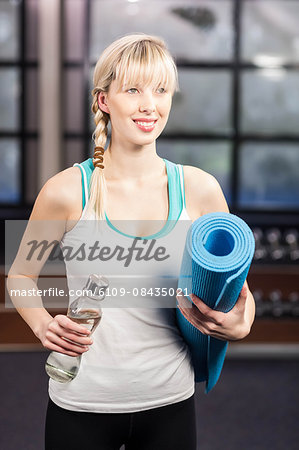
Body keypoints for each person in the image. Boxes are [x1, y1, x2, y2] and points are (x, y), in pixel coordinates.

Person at [7, 33, 255, 450]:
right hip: (82, 401)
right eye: (133, 90)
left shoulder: (199, 189)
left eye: (160, 90)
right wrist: (43, 323)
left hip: (170, 401)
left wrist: (241, 323)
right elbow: (20, 276)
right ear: (104, 100)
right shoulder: (67, 191)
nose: (149, 105)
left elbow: (238, 292)